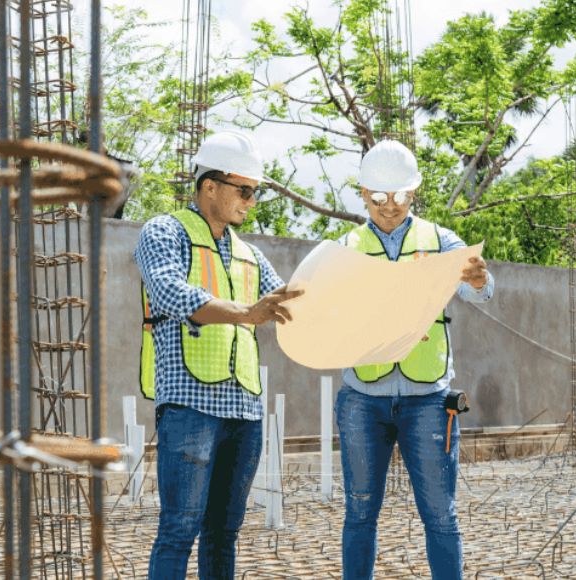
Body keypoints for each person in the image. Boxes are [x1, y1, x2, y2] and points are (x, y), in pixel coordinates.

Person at [135, 131, 303, 580]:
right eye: (244, 190)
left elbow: (289, 301)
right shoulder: (164, 232)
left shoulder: (250, 254)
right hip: (191, 404)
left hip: (244, 410)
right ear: (210, 185)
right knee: (178, 529)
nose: (251, 201)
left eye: (255, 192)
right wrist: (247, 313)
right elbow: (170, 292)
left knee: (223, 532)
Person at [336, 139, 493, 580]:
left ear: (415, 192)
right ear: (364, 193)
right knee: (360, 514)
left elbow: (481, 288)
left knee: (441, 515)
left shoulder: (440, 240)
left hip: (427, 397)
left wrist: (479, 278)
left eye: (401, 196)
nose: (390, 207)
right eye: (380, 197)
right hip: (363, 396)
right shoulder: (345, 245)